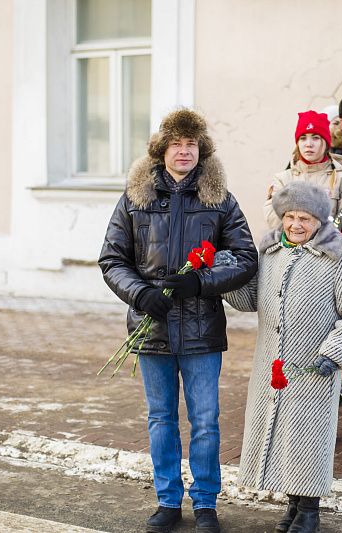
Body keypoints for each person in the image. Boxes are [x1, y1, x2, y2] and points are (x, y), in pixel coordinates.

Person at [98, 108, 258, 533]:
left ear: (201, 149)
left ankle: (205, 503)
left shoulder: (219, 199)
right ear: (162, 149)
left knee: (205, 421)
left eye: (192, 144)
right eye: (176, 143)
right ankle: (168, 501)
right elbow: (112, 259)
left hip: (201, 329)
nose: (184, 151)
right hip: (151, 327)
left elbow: (246, 258)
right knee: (161, 418)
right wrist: (141, 293)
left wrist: (201, 282)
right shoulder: (136, 197)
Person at [225, 181, 342, 533]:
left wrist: (335, 352)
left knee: (308, 437)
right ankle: (292, 504)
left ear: (319, 220)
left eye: (304, 218)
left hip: (314, 368)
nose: (295, 224)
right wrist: (226, 275)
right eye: (289, 216)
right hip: (271, 364)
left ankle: (309, 511)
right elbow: (250, 301)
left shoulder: (338, 256)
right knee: (281, 435)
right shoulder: (270, 252)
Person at [263, 110, 342, 228]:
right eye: (303, 138)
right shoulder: (282, 180)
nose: (308, 144)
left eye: (315, 138)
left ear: (326, 143)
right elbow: (273, 220)